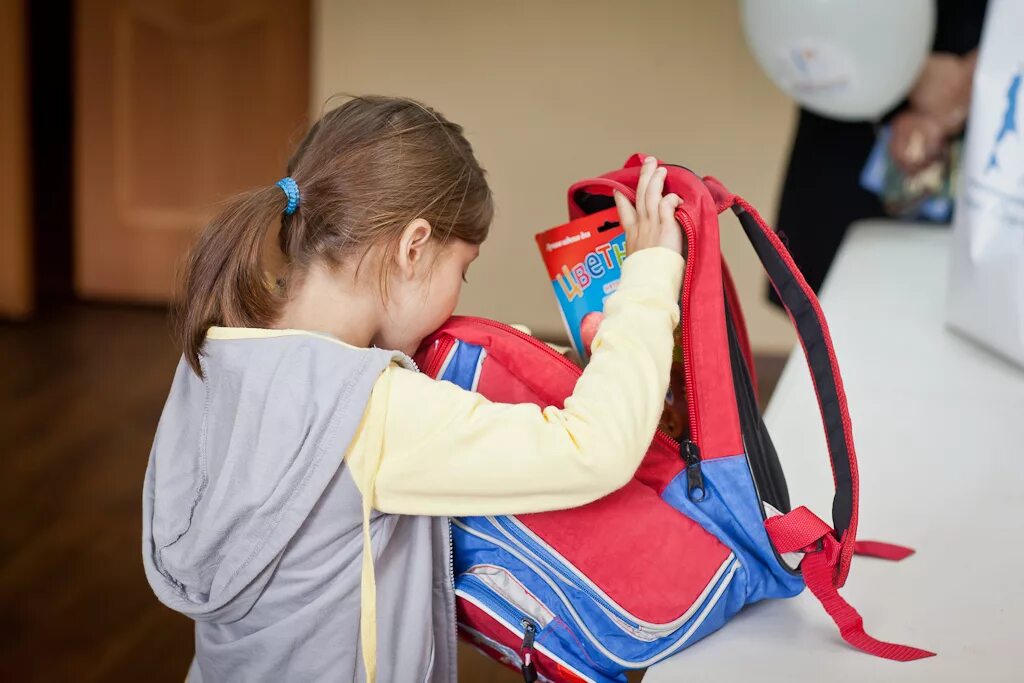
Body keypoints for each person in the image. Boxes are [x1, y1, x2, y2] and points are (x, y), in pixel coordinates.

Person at [140, 96, 685, 682]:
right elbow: (595, 449)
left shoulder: (218, 353)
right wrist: (650, 274)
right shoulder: (372, 411)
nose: (460, 290)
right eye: (462, 269)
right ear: (413, 247)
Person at [772, 0, 988, 303]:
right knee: (836, 313)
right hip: (849, 108)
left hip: (996, 126)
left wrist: (977, 76)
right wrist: (909, 71)